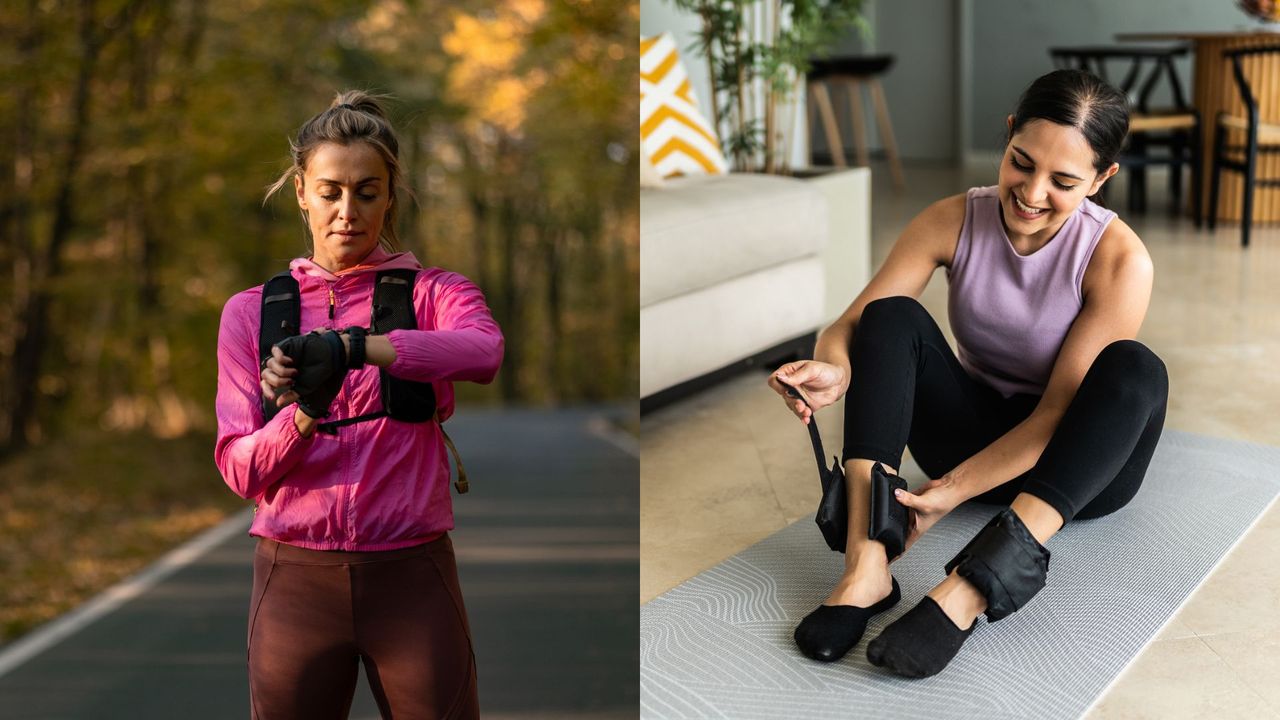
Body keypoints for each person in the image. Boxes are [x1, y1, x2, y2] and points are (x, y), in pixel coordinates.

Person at [768, 69, 1168, 678]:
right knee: (890, 315)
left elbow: (1058, 412)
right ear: (1007, 137)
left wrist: (953, 489)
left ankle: (970, 589)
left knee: (1135, 368)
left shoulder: (1118, 258)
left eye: (1062, 181)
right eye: (1021, 163)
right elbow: (850, 325)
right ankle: (866, 566)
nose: (1032, 193)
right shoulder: (952, 218)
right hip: (970, 433)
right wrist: (833, 367)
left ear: (1101, 178)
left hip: (1072, 470)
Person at [214, 90, 503, 717]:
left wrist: (361, 348)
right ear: (301, 191)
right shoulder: (251, 313)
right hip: (294, 582)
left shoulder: (435, 293)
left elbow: (484, 353)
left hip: (412, 576)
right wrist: (303, 413)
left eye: (367, 192)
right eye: (330, 191)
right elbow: (240, 472)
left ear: (390, 194)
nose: (348, 211)